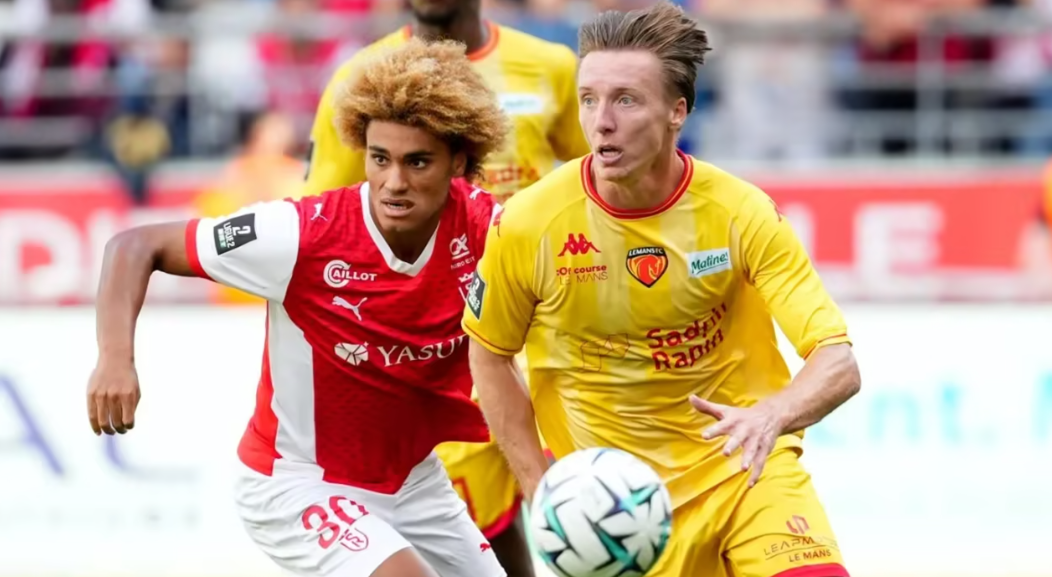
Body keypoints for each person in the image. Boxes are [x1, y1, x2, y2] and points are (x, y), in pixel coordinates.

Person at [462, 3, 861, 577]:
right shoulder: (529, 223)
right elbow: (489, 352)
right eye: (589, 99)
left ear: (678, 111)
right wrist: (540, 487)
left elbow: (837, 360)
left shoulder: (739, 212)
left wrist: (772, 415)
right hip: (614, 507)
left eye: (626, 100)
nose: (601, 121)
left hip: (744, 474)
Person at [86, 38, 512, 577]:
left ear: (459, 161)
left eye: (418, 162)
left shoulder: (490, 227)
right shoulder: (300, 234)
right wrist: (114, 359)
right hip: (297, 483)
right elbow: (133, 245)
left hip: (413, 482)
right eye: (379, 159)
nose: (394, 183)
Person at [304, 1, 591, 573]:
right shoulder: (359, 79)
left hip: (554, 332)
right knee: (475, 528)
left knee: (587, 512)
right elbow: (319, 226)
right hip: (444, 346)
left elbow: (593, 184)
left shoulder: (552, 66)